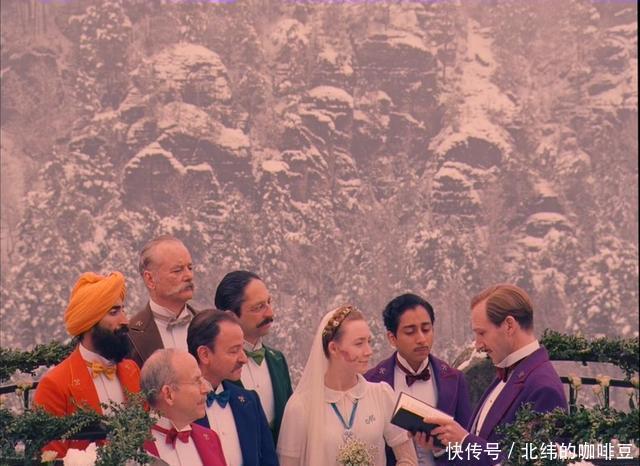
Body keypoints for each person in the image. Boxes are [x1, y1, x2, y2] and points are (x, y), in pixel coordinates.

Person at [418, 284, 567, 466]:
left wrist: (464, 441)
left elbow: (533, 461)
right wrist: (443, 447)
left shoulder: (543, 387)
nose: (477, 344)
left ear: (509, 326)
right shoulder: (509, 371)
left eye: (482, 333)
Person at [277, 305, 418, 466]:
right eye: (359, 344)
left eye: (369, 342)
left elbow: (408, 459)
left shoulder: (381, 394)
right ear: (333, 348)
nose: (368, 351)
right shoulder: (300, 407)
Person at [34, 272, 140, 459]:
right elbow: (51, 458)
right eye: (114, 312)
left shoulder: (132, 371)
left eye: (123, 310)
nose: (125, 320)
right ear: (90, 322)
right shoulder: (55, 385)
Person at [365, 293, 471, 465]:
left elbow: (469, 445)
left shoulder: (454, 379)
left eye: (426, 329)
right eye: (410, 332)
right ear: (392, 338)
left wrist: (441, 448)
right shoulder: (371, 382)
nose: (421, 339)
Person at [187, 309, 278, 466]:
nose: (244, 359)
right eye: (234, 351)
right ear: (204, 354)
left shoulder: (249, 401)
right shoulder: (180, 405)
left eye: (242, 348)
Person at [214, 270, 292, 442]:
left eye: (269, 302)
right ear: (230, 316)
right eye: (258, 307)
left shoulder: (278, 360)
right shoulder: (217, 366)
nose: (270, 314)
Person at [141, 349, 227, 466]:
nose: (206, 389)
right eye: (196, 381)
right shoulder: (131, 446)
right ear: (168, 394)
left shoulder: (210, 438)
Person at [129, 235, 197, 367]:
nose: (189, 276)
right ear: (150, 279)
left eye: (190, 268)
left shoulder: (212, 325)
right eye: (177, 270)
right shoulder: (130, 335)